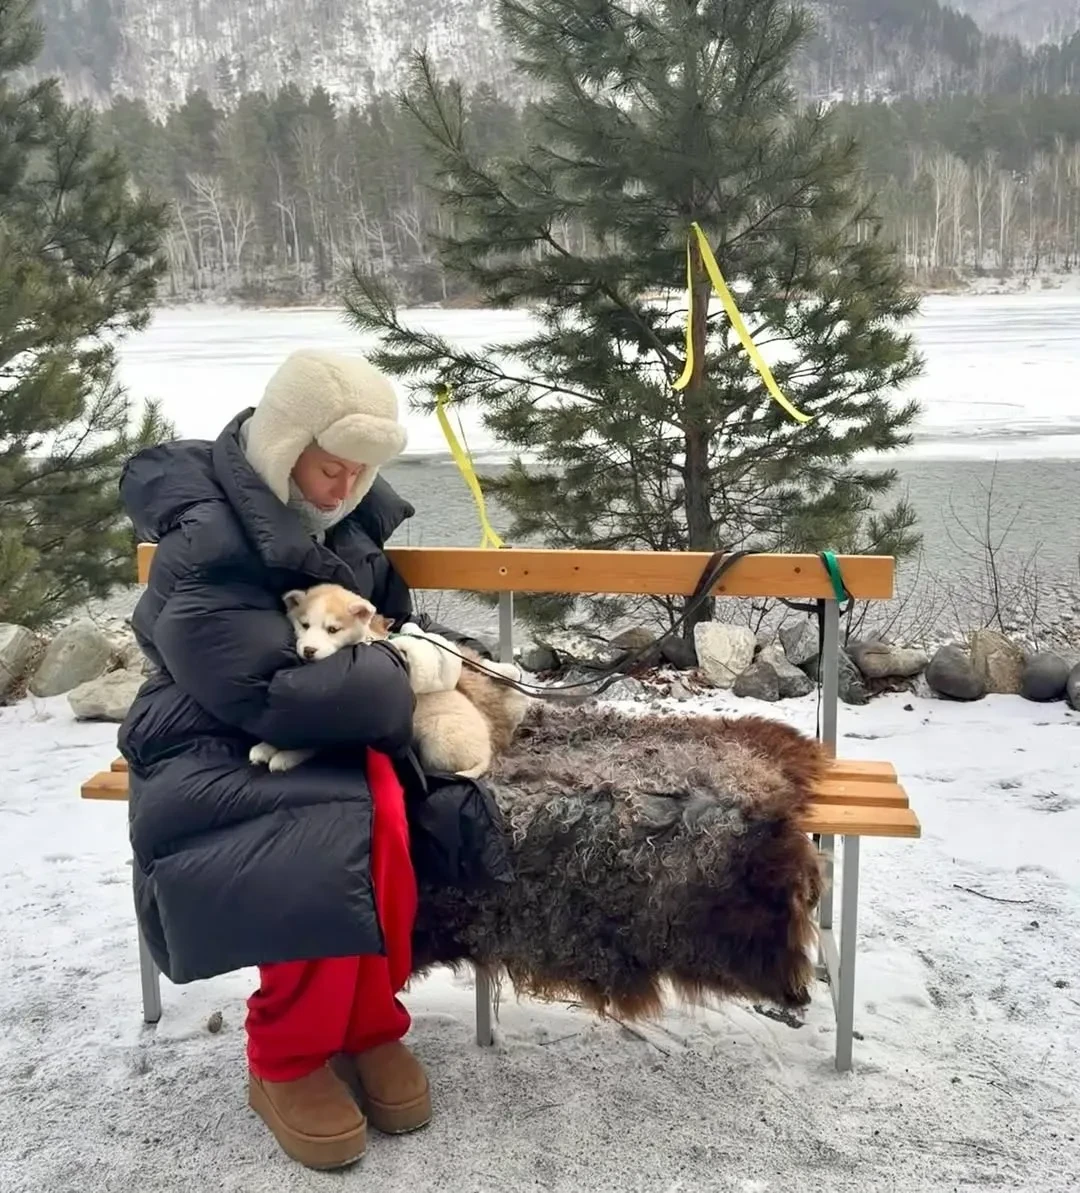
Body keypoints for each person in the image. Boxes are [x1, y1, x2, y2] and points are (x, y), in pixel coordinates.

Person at [118, 349, 511, 1170]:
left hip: (323, 723)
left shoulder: (346, 525)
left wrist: (417, 654)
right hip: (210, 730)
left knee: (390, 811)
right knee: (312, 837)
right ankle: (287, 1053)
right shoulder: (209, 531)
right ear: (284, 443)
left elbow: (388, 623)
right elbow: (267, 688)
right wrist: (400, 668)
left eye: (361, 472)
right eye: (333, 467)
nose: (345, 487)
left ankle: (366, 1022)